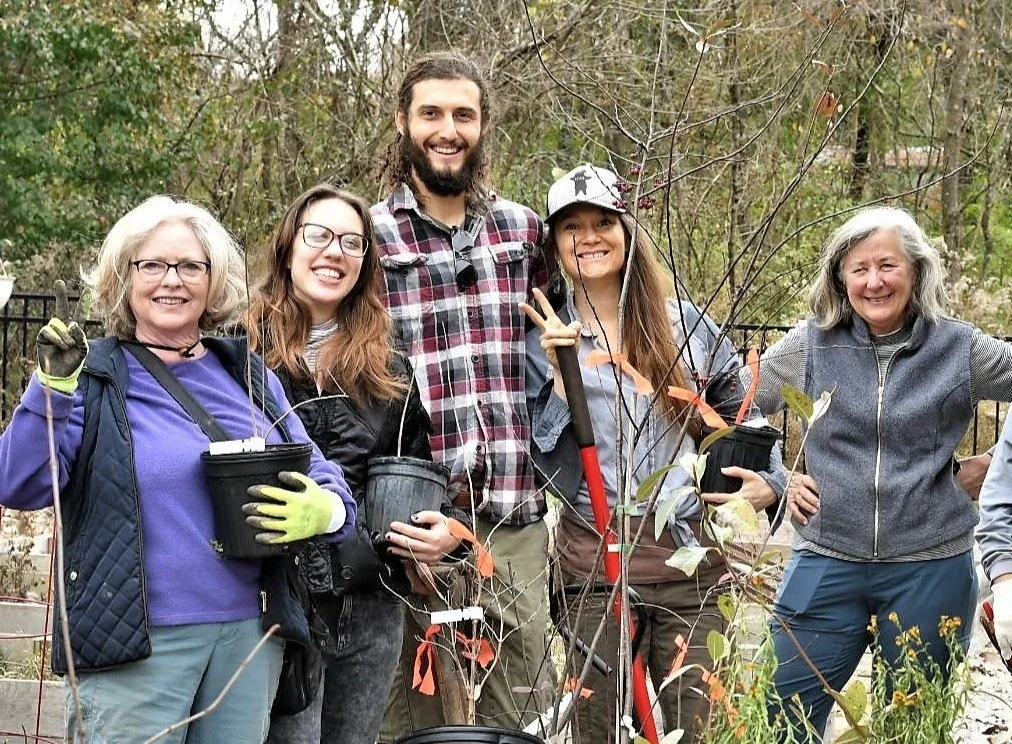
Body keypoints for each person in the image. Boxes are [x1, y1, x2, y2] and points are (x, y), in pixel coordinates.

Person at [0, 196, 356, 743]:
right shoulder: (92, 379)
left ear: (214, 282)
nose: (173, 280)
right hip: (138, 645)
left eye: (191, 266)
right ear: (124, 277)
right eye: (153, 265)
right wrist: (49, 392)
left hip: (249, 639)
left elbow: (326, 476)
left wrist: (324, 510)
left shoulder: (248, 375)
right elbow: (18, 483)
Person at [522, 164, 787, 741]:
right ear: (556, 245)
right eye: (571, 227)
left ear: (628, 230)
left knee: (700, 725)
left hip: (690, 566)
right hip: (591, 568)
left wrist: (773, 482)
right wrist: (562, 386)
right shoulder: (545, 337)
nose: (588, 237)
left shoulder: (683, 326)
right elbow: (537, 452)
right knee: (598, 729)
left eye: (602, 222)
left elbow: (746, 416)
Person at [748, 205, 1012, 739]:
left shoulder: (958, 348)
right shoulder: (811, 343)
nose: (874, 282)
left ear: (916, 271)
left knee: (911, 730)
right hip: (826, 558)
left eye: (888, 265)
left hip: (930, 567)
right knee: (779, 720)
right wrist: (779, 476)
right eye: (859, 268)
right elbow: (737, 401)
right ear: (839, 277)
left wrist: (999, 464)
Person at [372, 50, 554, 737]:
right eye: (431, 113)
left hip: (510, 517)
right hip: (407, 518)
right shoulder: (366, 236)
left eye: (463, 114)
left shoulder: (524, 230)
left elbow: (577, 346)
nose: (448, 129)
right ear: (403, 121)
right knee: (404, 719)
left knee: (521, 711)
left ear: (482, 126)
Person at [248, 183, 470, 744]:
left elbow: (416, 472)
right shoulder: (240, 355)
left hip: (370, 605)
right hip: (274, 605)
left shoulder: (389, 365)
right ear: (287, 246)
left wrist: (445, 530)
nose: (335, 252)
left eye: (352, 242)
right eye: (318, 235)